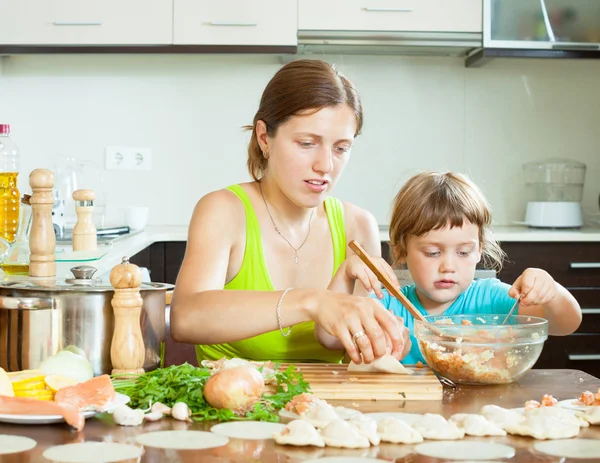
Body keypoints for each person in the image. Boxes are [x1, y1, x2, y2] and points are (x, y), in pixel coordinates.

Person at [170, 59, 410, 365]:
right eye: (307, 143)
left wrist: (381, 344)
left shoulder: (358, 226)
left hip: (329, 409)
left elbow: (353, 355)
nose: (325, 166)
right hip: (232, 406)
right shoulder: (224, 211)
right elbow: (186, 318)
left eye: (341, 148)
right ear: (264, 137)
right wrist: (312, 301)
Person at [319, 171, 582, 365]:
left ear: (479, 249)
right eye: (433, 253)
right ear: (400, 250)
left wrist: (551, 291)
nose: (448, 266)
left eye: (463, 252)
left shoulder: (492, 299)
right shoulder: (385, 306)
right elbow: (327, 340)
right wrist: (344, 272)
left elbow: (566, 324)